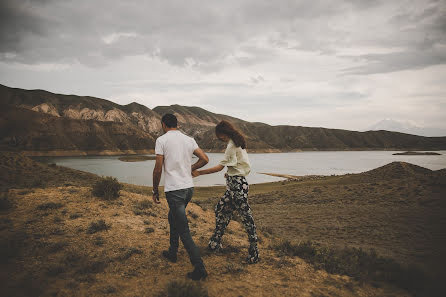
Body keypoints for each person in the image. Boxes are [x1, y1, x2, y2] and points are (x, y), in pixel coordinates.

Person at [192, 120, 259, 264]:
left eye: (219, 135)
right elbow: (241, 163)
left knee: (246, 218)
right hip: (235, 184)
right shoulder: (237, 142)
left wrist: (199, 173)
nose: (219, 138)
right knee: (220, 209)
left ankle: (254, 251)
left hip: (238, 186)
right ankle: (215, 243)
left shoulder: (231, 145)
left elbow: (218, 167)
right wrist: (231, 173)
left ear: (223, 133)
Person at [152, 113, 209, 280]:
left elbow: (157, 168)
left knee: (183, 230)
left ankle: (199, 268)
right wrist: (190, 168)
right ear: (176, 124)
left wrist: (155, 190)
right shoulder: (189, 139)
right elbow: (205, 159)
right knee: (173, 217)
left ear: (163, 124)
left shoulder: (161, 140)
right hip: (188, 189)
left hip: (175, 191)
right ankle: (172, 252)